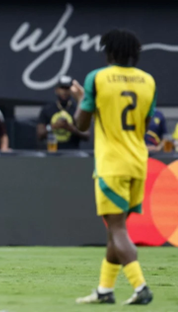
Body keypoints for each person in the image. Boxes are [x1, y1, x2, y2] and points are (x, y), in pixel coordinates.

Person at [74, 29, 154, 305]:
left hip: (111, 164)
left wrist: (80, 99)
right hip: (139, 162)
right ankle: (105, 290)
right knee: (115, 229)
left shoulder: (97, 78)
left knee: (117, 229)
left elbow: (81, 124)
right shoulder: (148, 81)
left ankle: (140, 285)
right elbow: (144, 125)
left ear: (109, 52)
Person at [37, 76, 89, 149]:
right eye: (62, 88)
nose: (64, 91)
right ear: (56, 90)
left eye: (67, 88)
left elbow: (87, 135)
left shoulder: (77, 109)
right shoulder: (47, 109)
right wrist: (53, 126)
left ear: (71, 90)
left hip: (73, 153)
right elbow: (39, 135)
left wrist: (71, 128)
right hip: (52, 152)